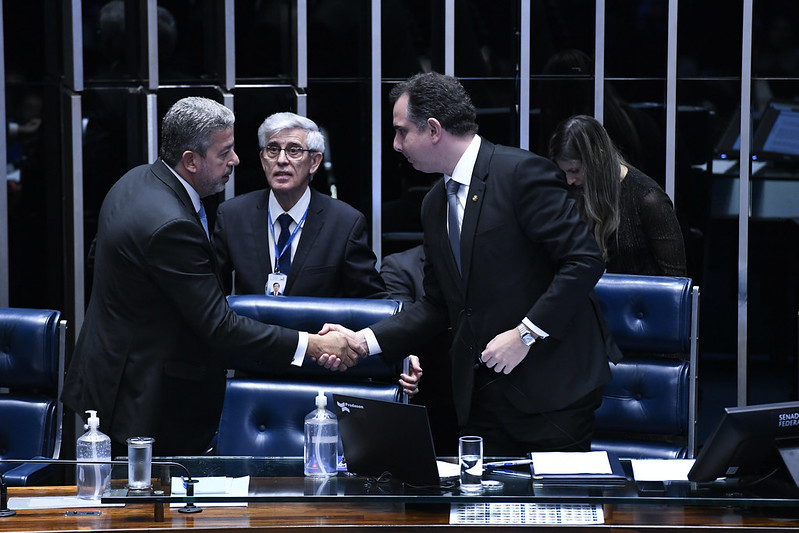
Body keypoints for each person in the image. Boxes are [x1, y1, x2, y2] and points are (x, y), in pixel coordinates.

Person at [324, 72, 622, 457]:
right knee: (484, 513)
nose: (396, 145)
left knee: (551, 514)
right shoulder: (434, 203)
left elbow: (584, 260)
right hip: (481, 395)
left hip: (553, 393)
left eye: (401, 132)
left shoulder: (521, 174)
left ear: (433, 129)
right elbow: (435, 304)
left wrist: (526, 333)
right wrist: (363, 341)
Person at [61, 97, 361, 457]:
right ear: (191, 161)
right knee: (145, 504)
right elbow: (219, 326)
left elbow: (99, 258)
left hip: (112, 370)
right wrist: (311, 344)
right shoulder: (171, 225)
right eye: (225, 153)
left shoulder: (136, 179)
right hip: (143, 392)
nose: (236, 160)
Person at [212, 112, 387, 298]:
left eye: (294, 150)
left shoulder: (345, 223)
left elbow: (371, 300)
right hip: (250, 327)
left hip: (316, 327)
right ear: (263, 160)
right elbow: (210, 293)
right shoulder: (233, 216)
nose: (281, 160)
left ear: (315, 162)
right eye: (273, 149)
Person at [548, 115, 687, 277]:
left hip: (640, 300)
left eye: (574, 171)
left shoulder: (648, 199)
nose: (569, 180)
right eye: (564, 172)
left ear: (599, 159)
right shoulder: (571, 192)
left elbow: (675, 282)